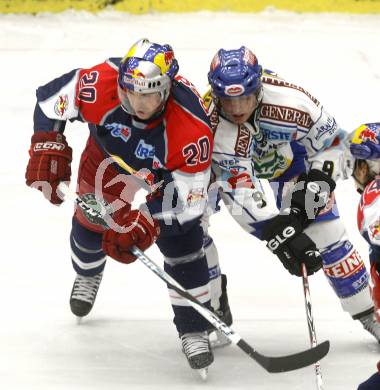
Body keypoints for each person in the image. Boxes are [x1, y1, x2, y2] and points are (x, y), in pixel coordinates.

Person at [25, 38, 216, 372]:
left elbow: (190, 200)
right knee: (89, 229)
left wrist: (145, 220)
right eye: (131, 92)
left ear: (167, 89)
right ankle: (87, 273)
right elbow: (49, 102)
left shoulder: (191, 128)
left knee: (182, 243)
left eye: (148, 95)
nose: (137, 103)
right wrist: (47, 144)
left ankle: (194, 327)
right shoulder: (100, 83)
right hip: (107, 159)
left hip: (165, 177)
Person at [203, 46, 380, 343]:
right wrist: (281, 233)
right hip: (220, 172)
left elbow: (334, 145)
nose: (235, 109)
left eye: (244, 98)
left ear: (258, 88)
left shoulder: (293, 102)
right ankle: (211, 307)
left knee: (327, 233)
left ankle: (370, 313)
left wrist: (305, 203)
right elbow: (238, 188)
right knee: (188, 227)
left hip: (285, 159)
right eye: (227, 100)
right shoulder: (208, 118)